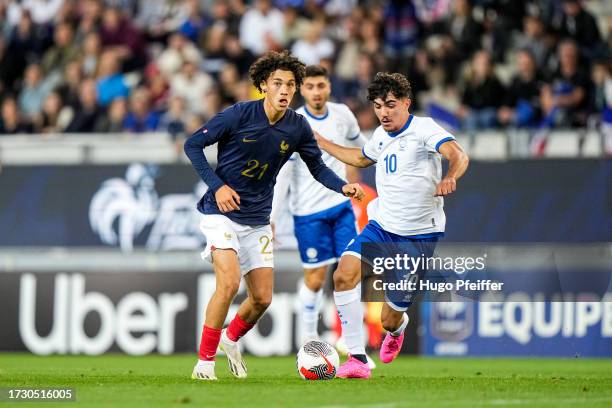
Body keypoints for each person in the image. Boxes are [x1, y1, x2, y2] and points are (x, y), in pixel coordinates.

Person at [183, 50, 365, 381]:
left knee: (262, 298)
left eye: (290, 85)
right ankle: (204, 363)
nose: (284, 90)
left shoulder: (297, 127)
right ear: (263, 85)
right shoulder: (238, 114)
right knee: (228, 283)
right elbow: (193, 145)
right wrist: (217, 186)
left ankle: (230, 339)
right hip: (220, 213)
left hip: (257, 219)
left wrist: (343, 188)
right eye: (277, 83)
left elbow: (317, 167)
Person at [315, 72, 469, 379]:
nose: (383, 112)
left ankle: (397, 328)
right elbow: (359, 158)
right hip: (381, 225)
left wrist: (450, 176)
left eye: (390, 105)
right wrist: (320, 142)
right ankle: (357, 359)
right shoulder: (381, 136)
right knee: (344, 275)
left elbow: (458, 154)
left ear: (406, 103)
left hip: (419, 234)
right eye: (377, 106)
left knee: (388, 319)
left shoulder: (424, 128)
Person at [270, 65, 372, 359]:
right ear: (302, 90)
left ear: (329, 87)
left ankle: (356, 349)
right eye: (311, 87)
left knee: (351, 273)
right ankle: (310, 338)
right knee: (315, 279)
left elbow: (362, 150)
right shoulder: (293, 122)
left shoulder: (343, 115)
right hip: (308, 214)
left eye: (321, 86)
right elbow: (284, 176)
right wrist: (272, 218)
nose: (316, 92)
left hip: (340, 207)